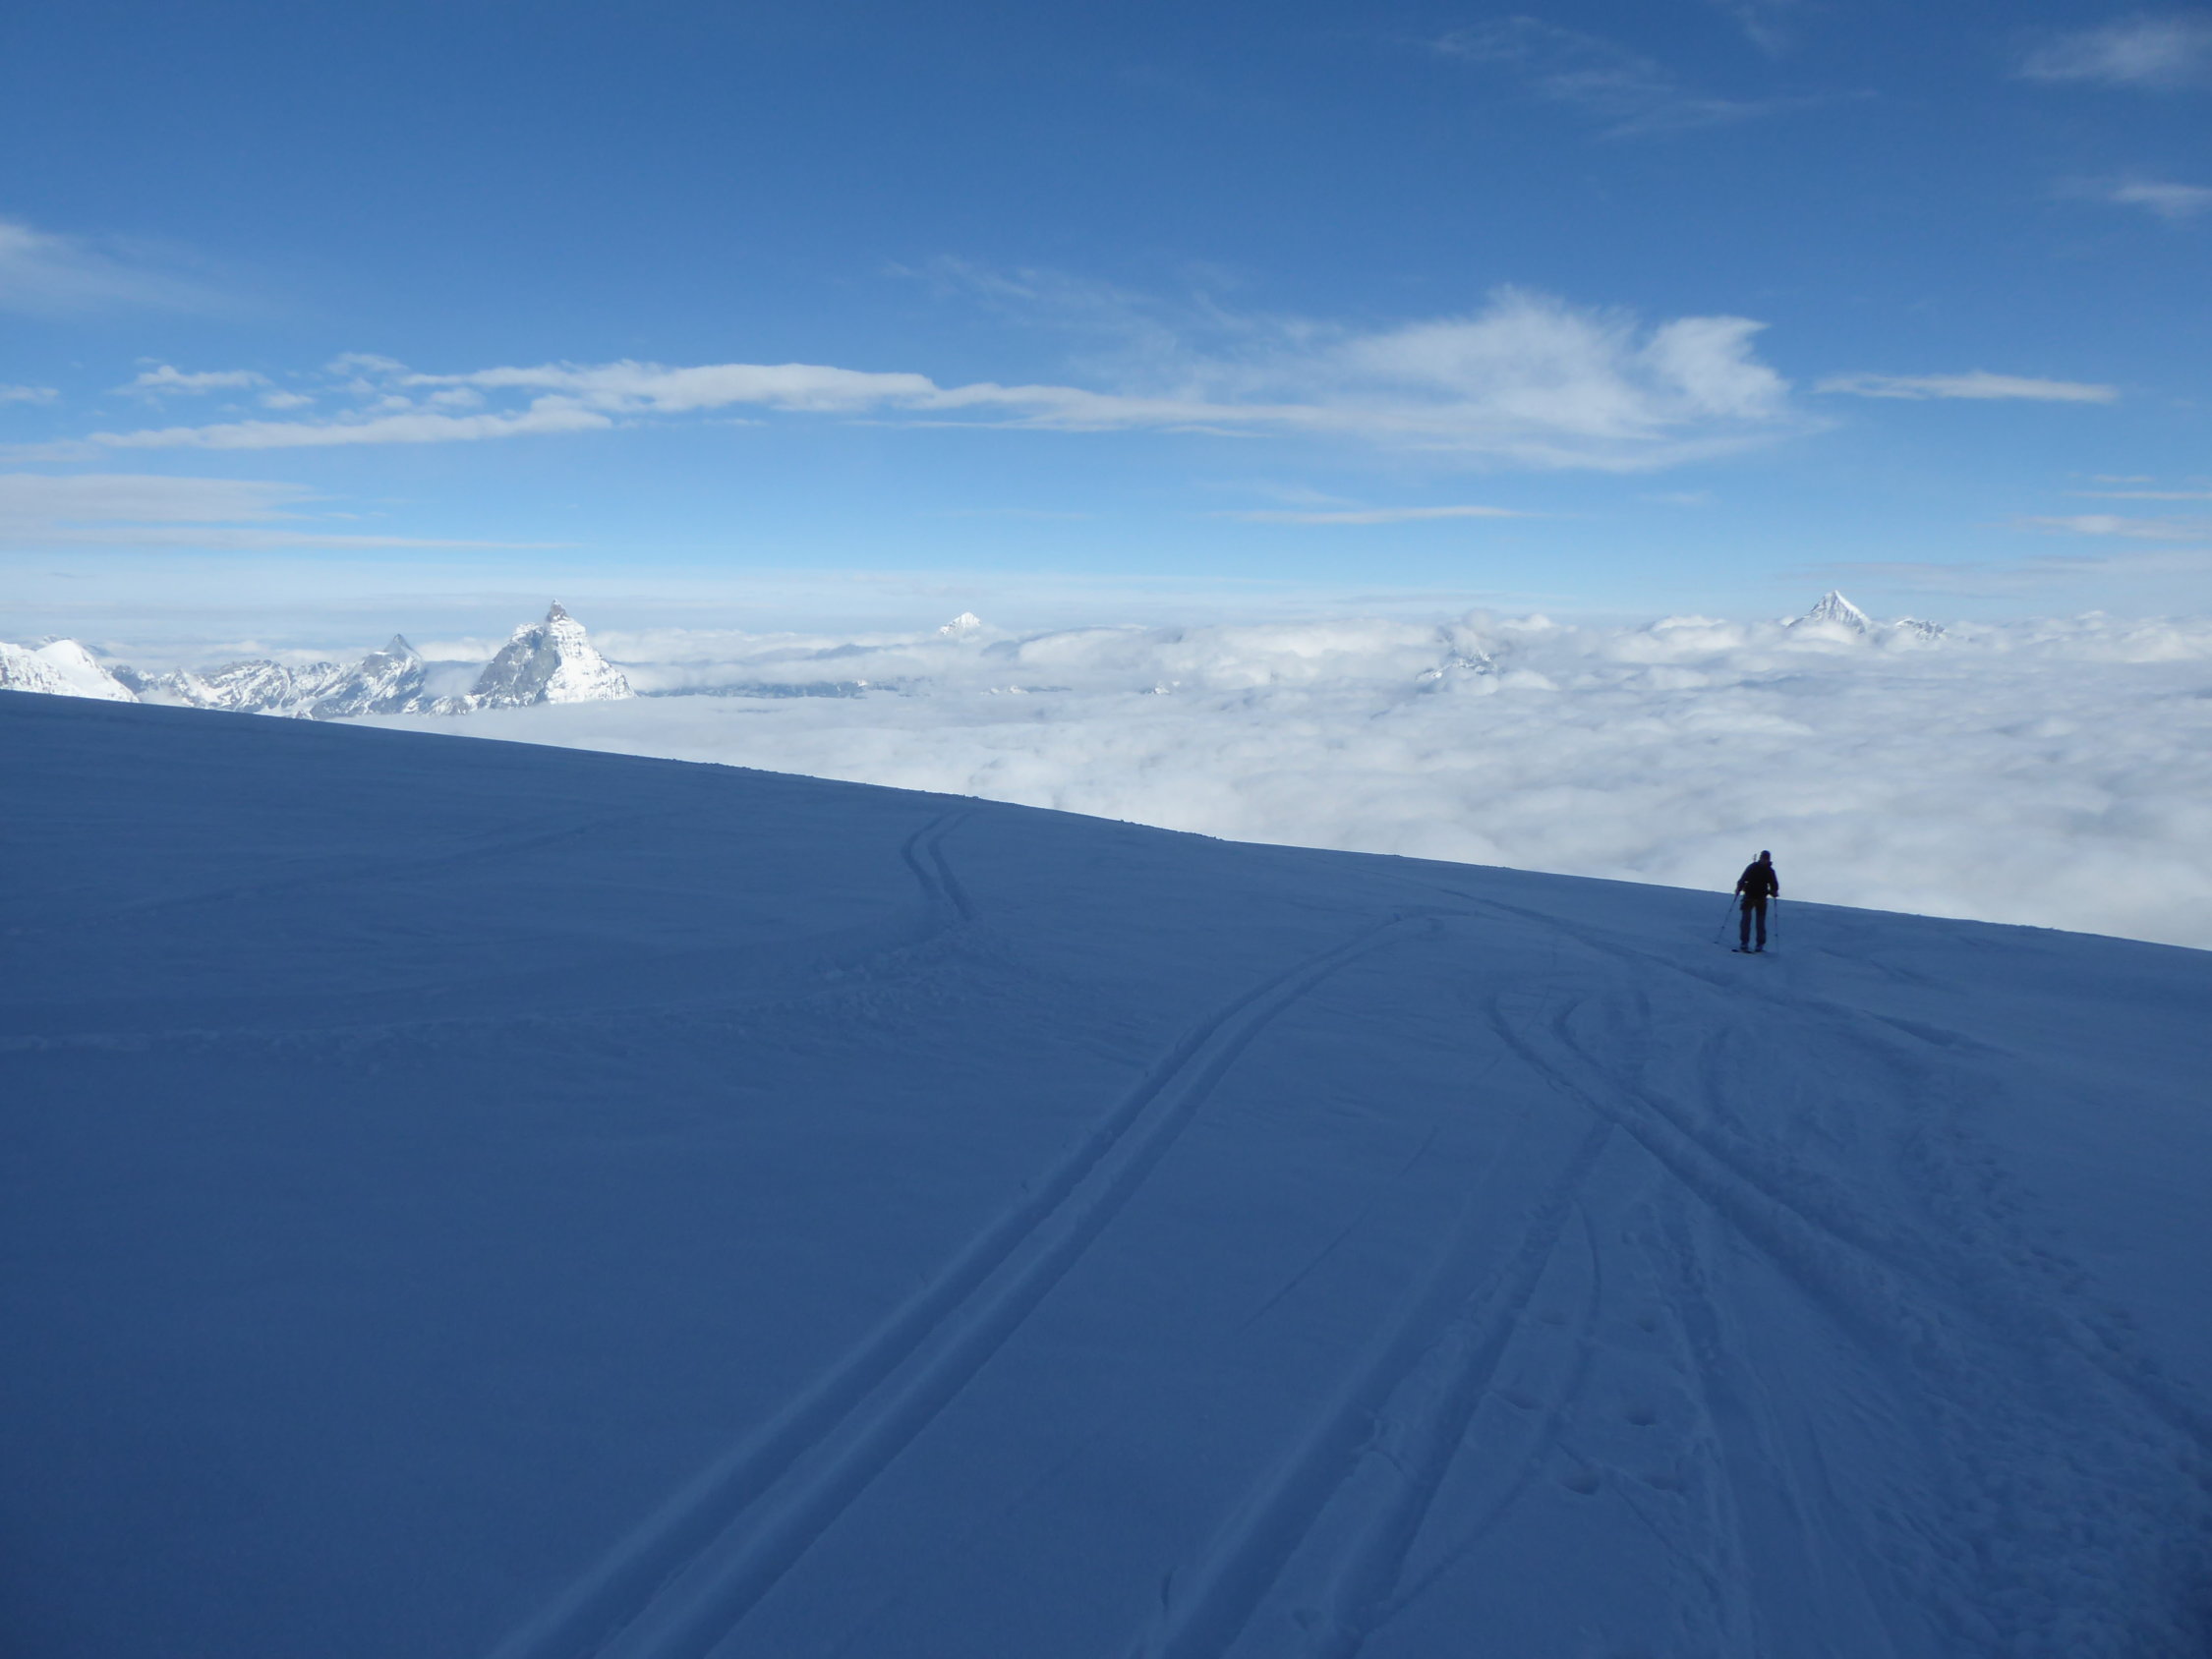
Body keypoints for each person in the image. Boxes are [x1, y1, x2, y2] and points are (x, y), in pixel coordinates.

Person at [1734, 850, 1779, 952]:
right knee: (1746, 920)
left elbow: (1774, 883)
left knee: (1760, 922)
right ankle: (1744, 942)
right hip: (1749, 895)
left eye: (1766, 858)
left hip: (1761, 897)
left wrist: (1774, 890)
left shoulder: (1770, 871)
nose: (1764, 860)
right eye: (1763, 858)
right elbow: (1743, 879)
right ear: (1760, 858)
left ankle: (1760, 943)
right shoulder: (1752, 867)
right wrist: (1739, 888)